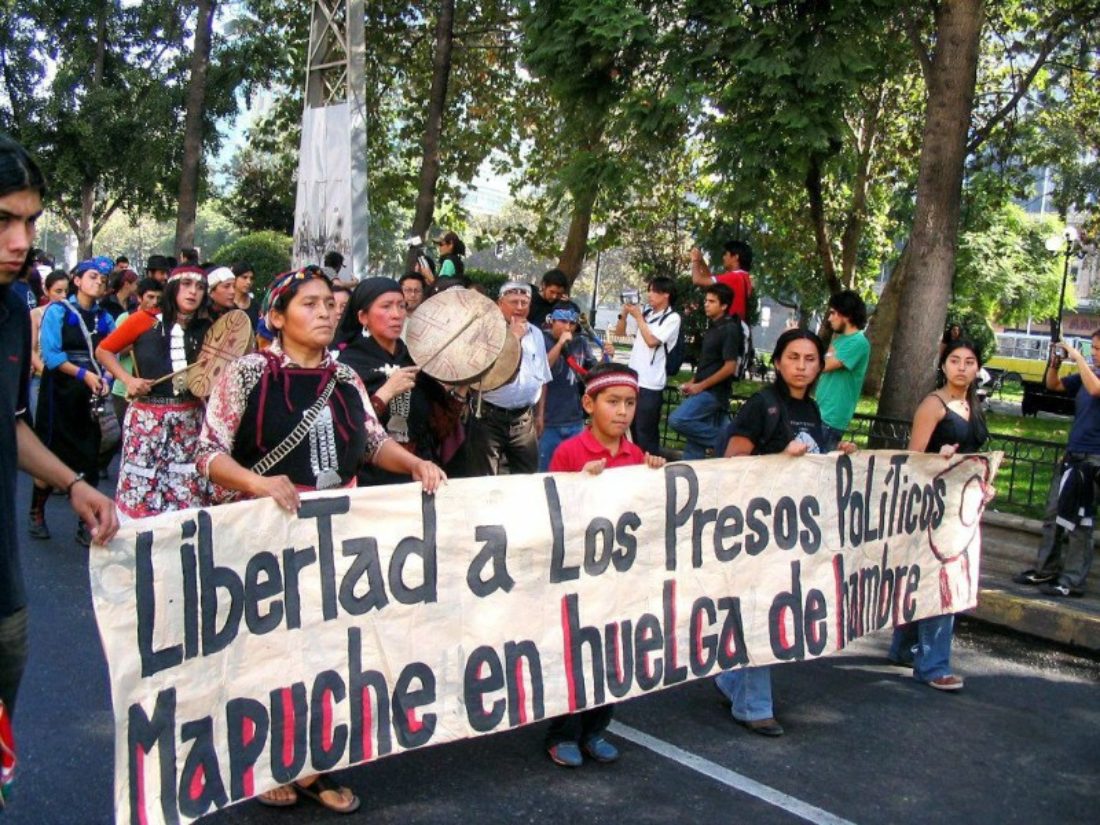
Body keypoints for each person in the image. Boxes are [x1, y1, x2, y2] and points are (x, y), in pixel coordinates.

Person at [194, 266, 444, 813]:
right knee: (272, 653)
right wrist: (258, 483)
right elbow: (207, 453)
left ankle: (315, 764)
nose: (326, 313)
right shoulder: (246, 374)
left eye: (330, 304)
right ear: (277, 317)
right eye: (310, 305)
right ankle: (268, 763)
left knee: (329, 653)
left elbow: (374, 443)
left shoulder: (346, 378)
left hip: (336, 537)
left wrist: (414, 463)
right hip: (266, 536)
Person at [1, 134, 119, 724]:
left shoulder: (10, 312)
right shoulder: (44, 312)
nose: (21, 242)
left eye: (30, 221)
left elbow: (9, 423)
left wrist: (73, 484)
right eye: (3, 219)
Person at [716, 328, 856, 736]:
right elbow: (732, 463)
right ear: (777, 362)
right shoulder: (762, 405)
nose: (802, 366)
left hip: (791, 532)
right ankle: (754, 705)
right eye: (793, 357)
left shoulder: (811, 410)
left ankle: (732, 682)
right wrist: (779, 457)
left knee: (775, 610)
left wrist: (837, 457)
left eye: (810, 359)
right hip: (753, 529)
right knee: (764, 611)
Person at [545, 363, 666, 766]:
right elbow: (552, 512)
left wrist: (653, 479)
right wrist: (580, 482)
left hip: (620, 579)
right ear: (588, 403)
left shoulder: (637, 457)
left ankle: (597, 728)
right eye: (612, 402)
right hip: (579, 577)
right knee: (574, 654)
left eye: (630, 403)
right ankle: (562, 732)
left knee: (613, 653)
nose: (622, 412)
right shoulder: (569, 452)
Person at [888, 338, 989, 690]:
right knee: (946, 581)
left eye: (969, 361)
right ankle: (933, 665)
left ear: (978, 368)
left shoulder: (973, 405)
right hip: (931, 504)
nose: (962, 367)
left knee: (930, 577)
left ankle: (903, 648)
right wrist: (937, 458)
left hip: (962, 506)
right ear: (943, 366)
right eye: (955, 360)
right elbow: (913, 459)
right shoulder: (934, 405)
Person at [96, 267, 213, 520]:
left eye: (200, 287)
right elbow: (104, 350)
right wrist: (128, 379)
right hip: (146, 422)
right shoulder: (143, 320)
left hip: (190, 422)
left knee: (186, 494)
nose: (193, 291)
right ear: (172, 288)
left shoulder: (207, 329)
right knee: (140, 492)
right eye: (186, 284)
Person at [335, 277, 465, 482]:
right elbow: (345, 430)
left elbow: (438, 427)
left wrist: (464, 383)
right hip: (372, 483)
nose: (396, 315)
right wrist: (385, 393)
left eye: (401, 306)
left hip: (421, 476)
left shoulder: (413, 360)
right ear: (362, 316)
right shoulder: (348, 365)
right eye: (386, 307)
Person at [32, 256, 116, 544]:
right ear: (77, 281)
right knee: (49, 452)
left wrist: (106, 378)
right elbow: (52, 356)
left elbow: (110, 353)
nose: (99, 282)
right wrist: (84, 375)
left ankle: (87, 523)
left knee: (89, 457)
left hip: (90, 396)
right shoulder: (58, 312)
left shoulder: (105, 318)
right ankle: (36, 512)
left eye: (103, 280)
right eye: (92, 276)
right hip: (60, 393)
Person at [1013, 332, 1100, 597]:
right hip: (1072, 455)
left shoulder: (1092, 377)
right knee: (1053, 515)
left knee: (1080, 522)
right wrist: (1055, 363)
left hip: (1093, 460)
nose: (1095, 353)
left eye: (1099, 349)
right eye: (1093, 348)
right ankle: (1046, 569)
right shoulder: (1087, 375)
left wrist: (1077, 357)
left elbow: (1096, 389)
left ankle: (1072, 581)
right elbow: (1054, 385)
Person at [466, 281, 552, 476]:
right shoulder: (485, 332)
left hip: (523, 421)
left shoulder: (536, 334)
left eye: (524, 302)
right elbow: (479, 373)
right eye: (514, 302)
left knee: (527, 478)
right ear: (499, 303)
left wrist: (540, 415)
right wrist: (513, 339)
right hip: (489, 418)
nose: (520, 307)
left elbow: (543, 377)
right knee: (484, 479)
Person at [668, 283, 743, 459]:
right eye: (706, 300)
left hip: (714, 393)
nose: (706, 304)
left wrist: (700, 386)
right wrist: (693, 382)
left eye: (712, 301)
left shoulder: (730, 329)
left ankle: (726, 444)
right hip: (704, 390)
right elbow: (707, 363)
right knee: (695, 447)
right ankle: (690, 481)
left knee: (677, 419)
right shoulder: (713, 327)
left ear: (724, 305)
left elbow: (729, 367)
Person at [539, 301, 613, 471]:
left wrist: (605, 357)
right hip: (548, 421)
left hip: (574, 421)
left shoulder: (580, 343)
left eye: (572, 323)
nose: (568, 327)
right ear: (551, 320)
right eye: (563, 321)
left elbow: (593, 375)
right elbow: (542, 369)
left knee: (576, 472)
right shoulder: (541, 339)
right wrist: (560, 344)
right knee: (545, 473)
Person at [611, 277, 680, 455]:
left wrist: (639, 317)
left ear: (666, 295)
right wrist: (624, 314)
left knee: (645, 433)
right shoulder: (647, 314)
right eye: (649, 290)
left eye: (655, 291)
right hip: (633, 380)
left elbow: (651, 341)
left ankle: (648, 469)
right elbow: (620, 336)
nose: (650, 295)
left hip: (651, 384)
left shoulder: (672, 318)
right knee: (628, 430)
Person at [816, 290, 870, 452]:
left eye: (833, 313)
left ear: (846, 314)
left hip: (831, 418)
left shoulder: (859, 342)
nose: (829, 318)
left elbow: (823, 366)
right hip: (821, 413)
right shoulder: (840, 340)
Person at [106, 278, 163, 428]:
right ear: (139, 298)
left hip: (149, 390)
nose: (155, 302)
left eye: (159, 298)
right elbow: (114, 350)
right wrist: (141, 339)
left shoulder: (163, 322)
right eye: (150, 297)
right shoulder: (126, 318)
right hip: (123, 390)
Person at [29, 270, 70, 417]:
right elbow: (31, 350)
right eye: (58, 291)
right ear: (46, 291)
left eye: (66, 291)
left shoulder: (72, 314)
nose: (63, 296)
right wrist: (46, 373)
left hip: (67, 378)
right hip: (41, 379)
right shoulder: (36, 314)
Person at [690, 240, 753, 321]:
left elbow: (697, 280)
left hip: (727, 326)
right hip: (736, 326)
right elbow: (712, 284)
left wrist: (695, 260)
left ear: (735, 257)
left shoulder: (734, 277)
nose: (723, 258)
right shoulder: (744, 277)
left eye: (726, 254)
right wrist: (701, 261)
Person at [231, 261, 260, 329]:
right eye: (244, 277)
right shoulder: (226, 305)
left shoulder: (256, 306)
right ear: (234, 278)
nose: (249, 282)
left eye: (251, 278)